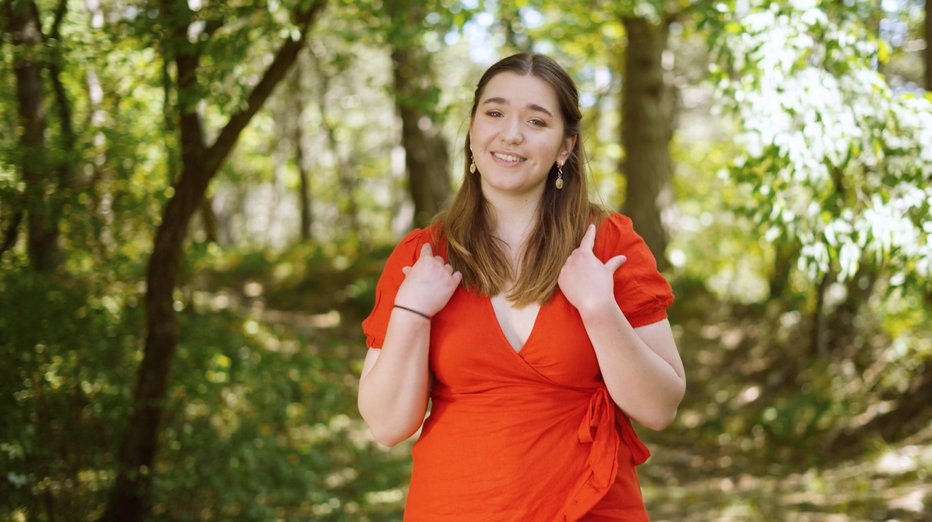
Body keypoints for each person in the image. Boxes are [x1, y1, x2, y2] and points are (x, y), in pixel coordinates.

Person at [358, 52, 685, 521]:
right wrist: (411, 310)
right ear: (472, 129)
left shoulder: (611, 244)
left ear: (565, 147)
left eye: (536, 121)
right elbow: (388, 426)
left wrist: (598, 308)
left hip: (592, 508)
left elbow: (660, 408)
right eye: (495, 113)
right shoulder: (421, 257)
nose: (511, 133)